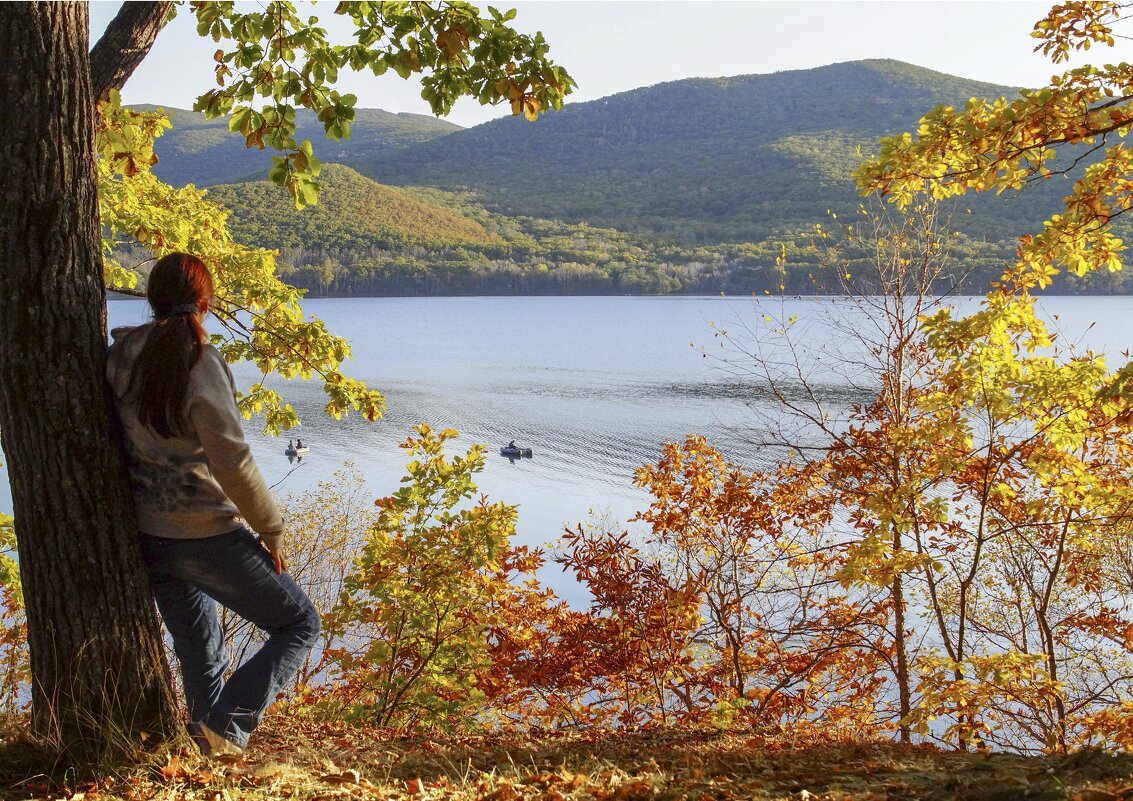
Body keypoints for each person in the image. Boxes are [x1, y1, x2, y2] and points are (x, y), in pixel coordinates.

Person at [106, 252, 320, 756]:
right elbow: (233, 460)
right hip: (205, 535)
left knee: (201, 651)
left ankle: (208, 755)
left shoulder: (120, 356)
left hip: (150, 535)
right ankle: (227, 727)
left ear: (153, 300)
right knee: (299, 624)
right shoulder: (200, 362)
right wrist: (271, 528)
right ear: (205, 302)